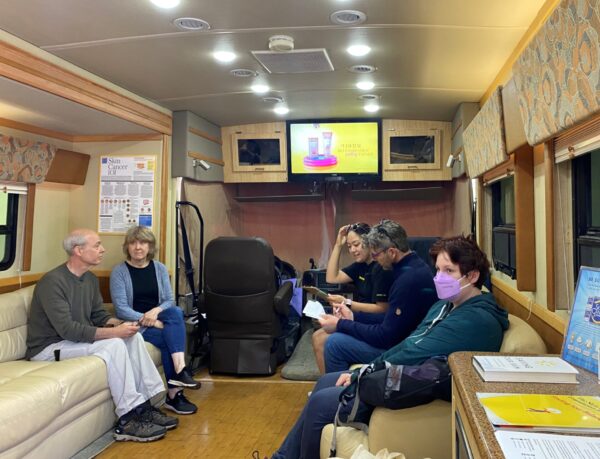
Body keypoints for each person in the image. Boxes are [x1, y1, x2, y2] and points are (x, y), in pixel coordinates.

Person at [271, 235, 510, 459]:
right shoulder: (447, 305)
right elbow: (411, 342)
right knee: (325, 382)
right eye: (437, 270)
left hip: (417, 385)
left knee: (322, 401)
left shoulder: (476, 320)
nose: (439, 277)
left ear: (472, 276)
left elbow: (415, 352)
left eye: (449, 271)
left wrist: (361, 372)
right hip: (407, 372)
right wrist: (364, 368)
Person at [26, 229, 177, 443]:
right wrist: (114, 333)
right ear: (78, 250)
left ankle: (145, 405)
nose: (103, 249)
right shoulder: (52, 282)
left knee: (131, 337)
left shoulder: (89, 279)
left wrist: (123, 324)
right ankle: (127, 419)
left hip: (72, 341)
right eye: (97, 245)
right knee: (114, 344)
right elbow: (68, 330)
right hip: (49, 348)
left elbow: (99, 314)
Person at [319, 220, 438, 372]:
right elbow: (391, 318)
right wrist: (353, 318)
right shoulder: (414, 265)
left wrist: (341, 324)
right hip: (401, 338)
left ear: (392, 252)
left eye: (376, 255)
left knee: (334, 343)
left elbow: (385, 336)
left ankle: (340, 393)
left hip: (403, 349)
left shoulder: (407, 281)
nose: (374, 259)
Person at [111, 226, 200, 416]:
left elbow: (169, 300)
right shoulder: (119, 272)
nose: (138, 247)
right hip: (137, 325)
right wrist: (147, 320)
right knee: (169, 338)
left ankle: (179, 369)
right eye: (133, 243)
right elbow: (121, 309)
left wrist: (155, 312)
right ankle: (175, 393)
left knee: (175, 311)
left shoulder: (159, 268)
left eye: (143, 242)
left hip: (159, 317)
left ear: (150, 246)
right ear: (127, 247)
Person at [312, 222, 394, 373]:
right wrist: (338, 245)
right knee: (317, 336)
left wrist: (347, 303)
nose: (352, 250)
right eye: (349, 246)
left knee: (322, 340)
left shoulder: (380, 267)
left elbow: (383, 308)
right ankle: (324, 385)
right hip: (359, 318)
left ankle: (330, 387)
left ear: (369, 242)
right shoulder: (359, 266)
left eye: (356, 244)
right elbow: (331, 277)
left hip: (374, 324)